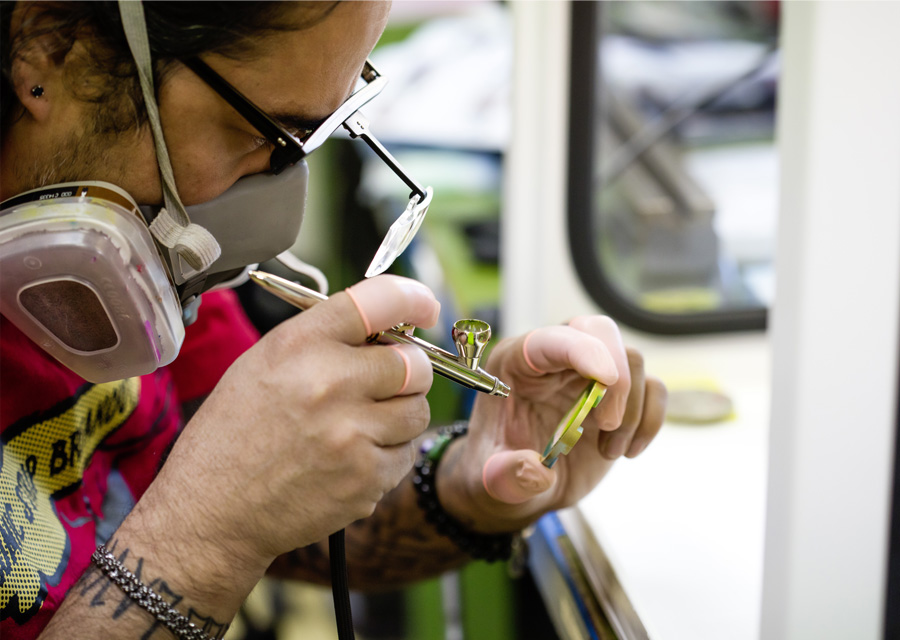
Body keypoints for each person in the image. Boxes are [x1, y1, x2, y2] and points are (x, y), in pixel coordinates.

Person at [0, 1, 667, 638]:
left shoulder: (149, 258)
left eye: (306, 138)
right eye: (260, 132)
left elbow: (278, 515)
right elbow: (215, 516)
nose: (274, 200)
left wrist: (469, 480)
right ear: (53, 49)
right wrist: (203, 539)